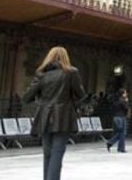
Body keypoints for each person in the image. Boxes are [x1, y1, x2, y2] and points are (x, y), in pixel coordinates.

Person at [22, 47, 86, 180]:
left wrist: (41, 97)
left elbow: (26, 97)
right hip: (63, 117)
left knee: (48, 153)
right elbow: (81, 95)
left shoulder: (41, 74)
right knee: (57, 153)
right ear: (65, 57)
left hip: (44, 117)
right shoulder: (71, 72)